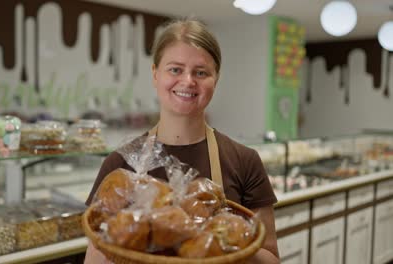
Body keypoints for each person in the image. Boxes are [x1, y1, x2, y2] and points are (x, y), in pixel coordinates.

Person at [84, 18, 280, 264]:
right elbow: (95, 256)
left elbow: (271, 258)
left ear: (215, 79)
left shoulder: (244, 160)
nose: (188, 81)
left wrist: (223, 242)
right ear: (155, 75)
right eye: (175, 69)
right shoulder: (119, 165)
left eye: (201, 72)